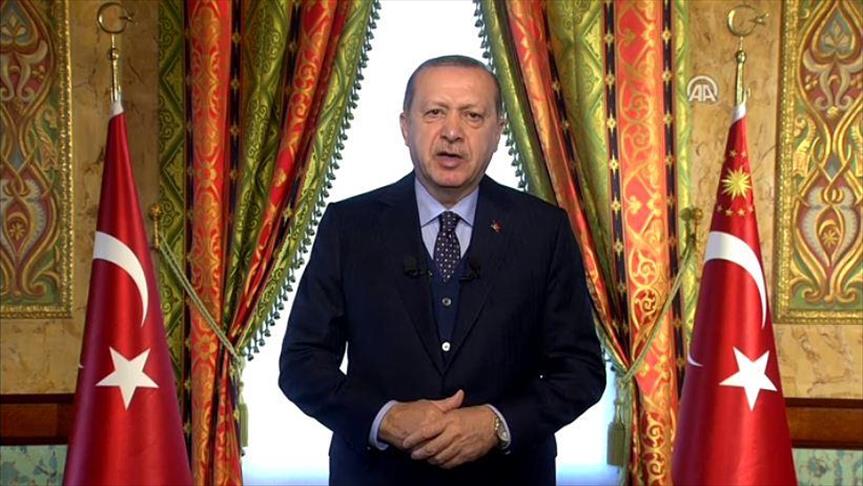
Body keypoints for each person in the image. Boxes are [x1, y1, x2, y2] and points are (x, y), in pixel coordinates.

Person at [279, 55, 605, 486]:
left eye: (472, 115)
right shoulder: (349, 227)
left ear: (498, 131)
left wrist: (496, 424)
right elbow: (302, 363)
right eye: (434, 112)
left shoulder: (543, 230)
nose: (452, 132)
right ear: (405, 126)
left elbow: (581, 371)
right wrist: (385, 418)